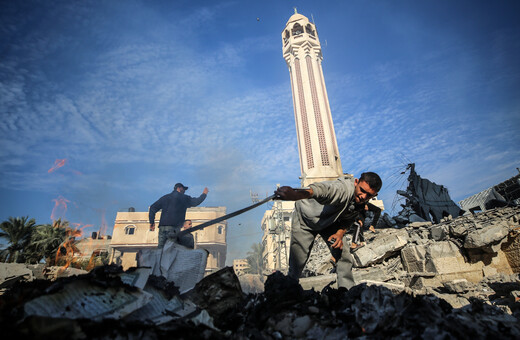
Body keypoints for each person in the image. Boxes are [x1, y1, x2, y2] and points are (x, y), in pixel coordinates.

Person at [275, 172, 382, 290]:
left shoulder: (361, 200)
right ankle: (288, 293)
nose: (363, 196)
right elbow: (323, 190)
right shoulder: (343, 189)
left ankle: (347, 293)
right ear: (356, 182)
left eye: (368, 195)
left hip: (329, 222)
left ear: (374, 195)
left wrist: (339, 234)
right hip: (305, 219)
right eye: (362, 190)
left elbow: (348, 220)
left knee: (344, 257)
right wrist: (296, 195)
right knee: (297, 263)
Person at [149, 183, 209, 248]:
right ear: (179, 188)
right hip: (174, 228)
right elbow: (196, 202)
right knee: (171, 250)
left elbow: (152, 208)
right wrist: (204, 194)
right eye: (184, 189)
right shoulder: (184, 198)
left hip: (162, 228)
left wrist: (152, 222)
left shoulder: (165, 197)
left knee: (160, 250)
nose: (184, 191)